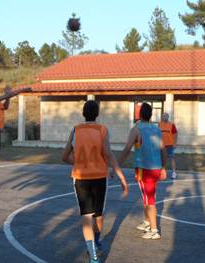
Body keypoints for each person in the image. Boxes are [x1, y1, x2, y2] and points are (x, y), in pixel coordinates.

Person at [62, 100, 128, 263]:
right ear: (97, 113)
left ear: (83, 113)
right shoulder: (102, 130)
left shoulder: (75, 130)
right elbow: (108, 154)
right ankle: (97, 241)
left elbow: (64, 156)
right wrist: (121, 176)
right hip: (99, 177)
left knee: (86, 216)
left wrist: (77, 163)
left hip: (81, 178)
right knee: (98, 214)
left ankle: (93, 256)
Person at [118, 102, 167, 240]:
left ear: (139, 114)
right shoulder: (157, 129)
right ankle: (147, 222)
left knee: (149, 199)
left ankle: (154, 230)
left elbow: (127, 149)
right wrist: (164, 168)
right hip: (156, 168)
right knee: (146, 196)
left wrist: (116, 164)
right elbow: (163, 150)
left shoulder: (136, 129)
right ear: (151, 115)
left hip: (144, 169)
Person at [159, 112, 178, 179]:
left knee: (172, 158)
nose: (165, 117)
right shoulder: (159, 124)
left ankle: (174, 173)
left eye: (166, 116)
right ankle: (163, 173)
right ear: (162, 117)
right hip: (162, 145)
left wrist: (175, 143)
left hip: (170, 145)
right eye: (163, 116)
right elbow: (157, 134)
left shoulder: (171, 125)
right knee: (162, 159)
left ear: (168, 117)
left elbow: (175, 134)